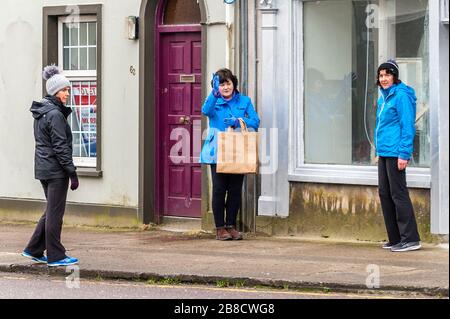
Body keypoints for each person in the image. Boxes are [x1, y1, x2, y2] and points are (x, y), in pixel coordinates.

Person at [22, 65, 80, 266]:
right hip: (56, 171)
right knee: (55, 213)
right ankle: (56, 256)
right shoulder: (54, 114)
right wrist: (71, 172)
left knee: (51, 210)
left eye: (67, 90)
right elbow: (60, 146)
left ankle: (33, 249)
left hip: (43, 169)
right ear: (56, 91)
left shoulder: (42, 112)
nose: (66, 94)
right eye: (64, 90)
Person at [200, 68, 260, 240]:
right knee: (219, 189)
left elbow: (255, 121)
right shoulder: (213, 101)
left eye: (228, 83)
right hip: (216, 150)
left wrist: (239, 121)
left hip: (237, 149)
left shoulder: (244, 101)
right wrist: (213, 93)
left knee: (234, 190)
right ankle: (220, 228)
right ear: (217, 86)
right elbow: (205, 111)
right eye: (221, 84)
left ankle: (231, 226)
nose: (225, 87)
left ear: (234, 84)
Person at [375, 59, 421, 252]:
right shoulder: (384, 97)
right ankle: (395, 238)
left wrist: (404, 153)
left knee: (398, 194)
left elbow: (407, 126)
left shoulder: (401, 96)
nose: (384, 79)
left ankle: (410, 239)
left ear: (395, 76)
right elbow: (382, 126)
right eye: (381, 75)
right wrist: (378, 151)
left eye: (388, 75)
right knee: (385, 194)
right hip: (384, 152)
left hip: (396, 152)